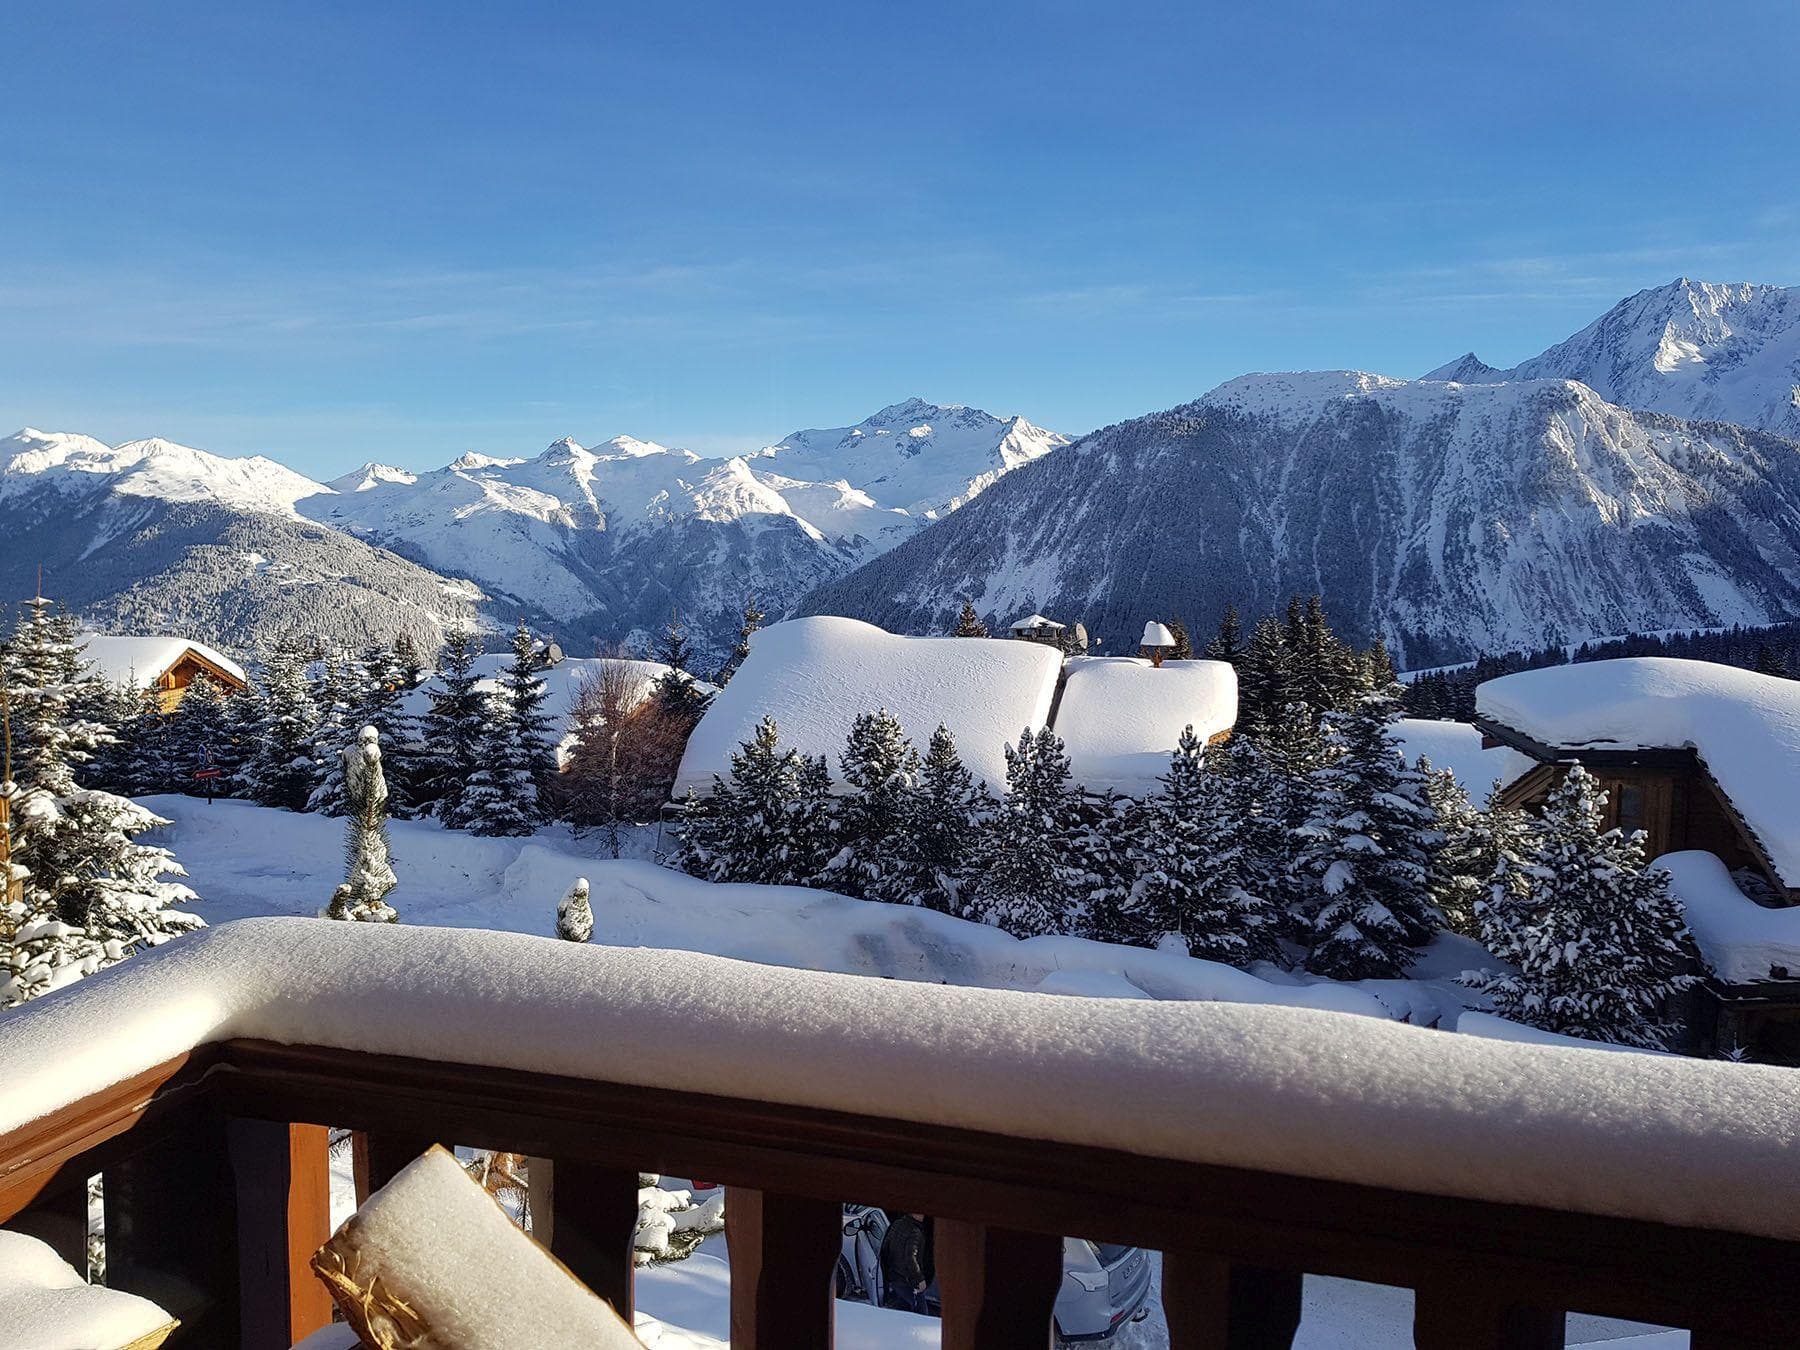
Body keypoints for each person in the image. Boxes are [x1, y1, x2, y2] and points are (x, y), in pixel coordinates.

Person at [879, 1211, 929, 1314]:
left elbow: (885, 1246)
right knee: (922, 1314)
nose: (923, 1215)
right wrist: (919, 1279)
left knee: (900, 1310)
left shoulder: (897, 1224)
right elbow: (910, 1257)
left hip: (895, 1277)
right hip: (908, 1280)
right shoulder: (915, 1232)